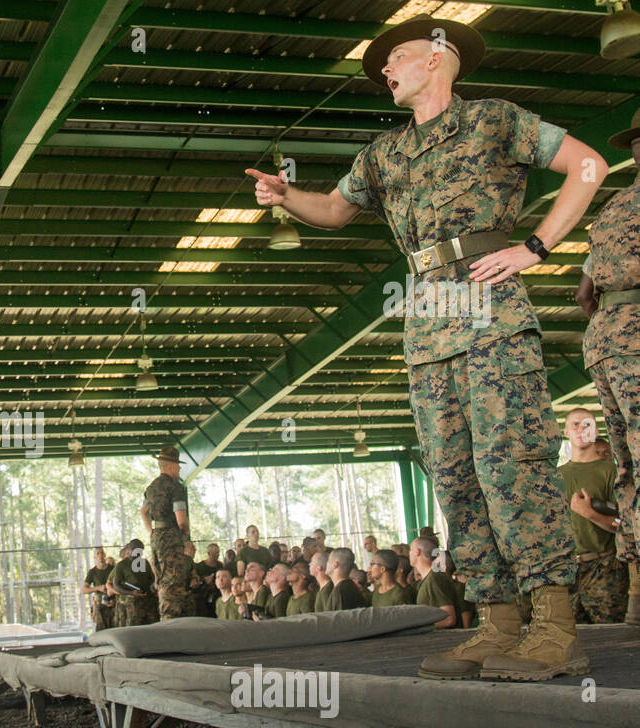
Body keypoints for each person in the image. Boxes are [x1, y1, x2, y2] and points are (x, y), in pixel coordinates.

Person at [250, 14, 603, 681]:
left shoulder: (495, 120)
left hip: (491, 315)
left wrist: (535, 247)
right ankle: (497, 623)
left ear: (438, 57)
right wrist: (287, 196)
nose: (387, 68)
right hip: (427, 327)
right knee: (456, 478)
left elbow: (589, 165)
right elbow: (334, 210)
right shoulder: (384, 153)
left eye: (398, 57)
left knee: (512, 468)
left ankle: (556, 627)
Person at [576, 108, 640, 626]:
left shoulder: (612, 209)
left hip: (605, 341)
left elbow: (584, 295)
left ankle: (637, 588)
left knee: (627, 466)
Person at [558, 409, 628, 623]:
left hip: (604, 568)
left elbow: (624, 524)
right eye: (575, 425)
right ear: (566, 432)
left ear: (595, 432)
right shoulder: (557, 476)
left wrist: (589, 513)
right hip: (567, 571)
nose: (581, 429)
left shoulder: (612, 472)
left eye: (587, 425)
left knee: (610, 634)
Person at [141, 446, 194, 620]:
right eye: (178, 466)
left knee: (162, 581)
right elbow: (181, 520)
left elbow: (143, 512)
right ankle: (171, 621)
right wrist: (184, 538)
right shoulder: (175, 488)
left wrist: (152, 532)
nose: (179, 469)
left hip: (156, 538)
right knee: (174, 583)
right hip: (172, 538)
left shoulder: (151, 488)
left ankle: (165, 619)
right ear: (170, 466)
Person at [411, 538, 462, 637]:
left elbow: (448, 619)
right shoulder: (427, 580)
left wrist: (419, 626)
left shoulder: (435, 578)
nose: (410, 554)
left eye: (411, 550)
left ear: (417, 551)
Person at [108, 539, 157, 627]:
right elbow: (116, 585)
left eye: (140, 550)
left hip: (147, 598)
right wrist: (131, 593)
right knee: (135, 626)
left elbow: (152, 579)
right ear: (130, 550)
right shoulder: (121, 565)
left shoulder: (145, 563)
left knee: (153, 625)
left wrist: (152, 589)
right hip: (131, 601)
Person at [82, 547, 114, 631]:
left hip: (113, 604)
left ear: (105, 554)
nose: (100, 555)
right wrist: (97, 588)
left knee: (114, 630)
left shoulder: (112, 569)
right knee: (101, 631)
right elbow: (84, 590)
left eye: (102, 553)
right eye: (98, 553)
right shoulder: (92, 572)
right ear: (95, 557)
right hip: (100, 605)